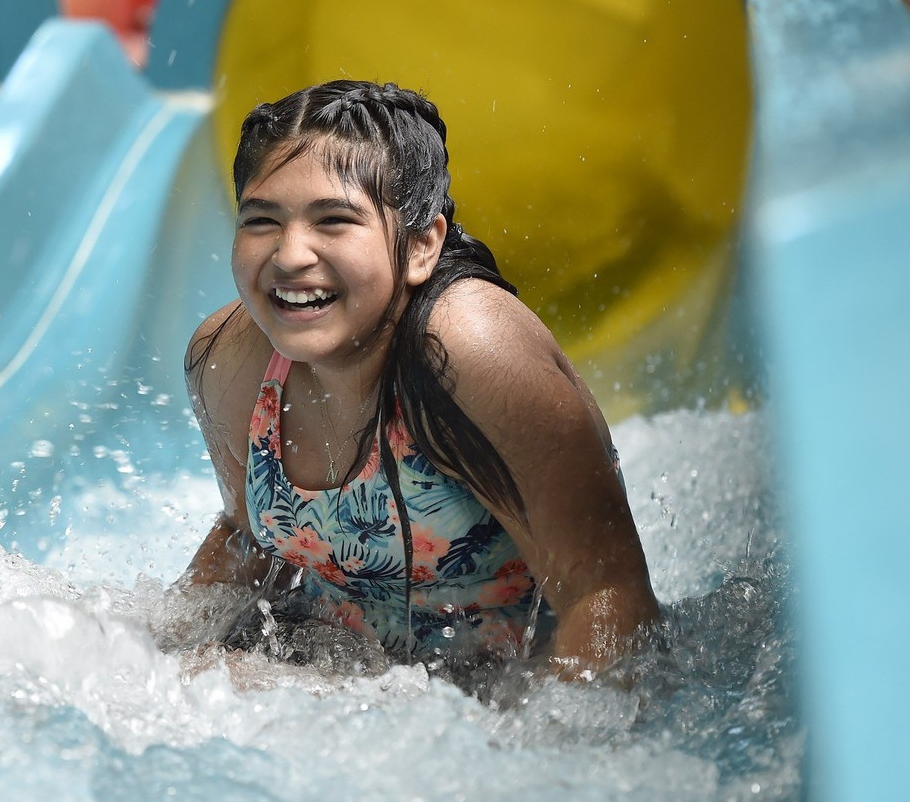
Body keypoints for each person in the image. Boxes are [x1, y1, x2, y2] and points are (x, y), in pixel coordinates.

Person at [180, 79, 658, 679]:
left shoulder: (471, 353)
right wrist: (162, 655)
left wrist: (539, 729)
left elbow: (608, 595)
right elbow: (246, 540)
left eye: (334, 219)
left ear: (421, 246)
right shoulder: (230, 359)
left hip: (510, 687)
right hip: (337, 674)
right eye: (261, 221)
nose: (290, 255)